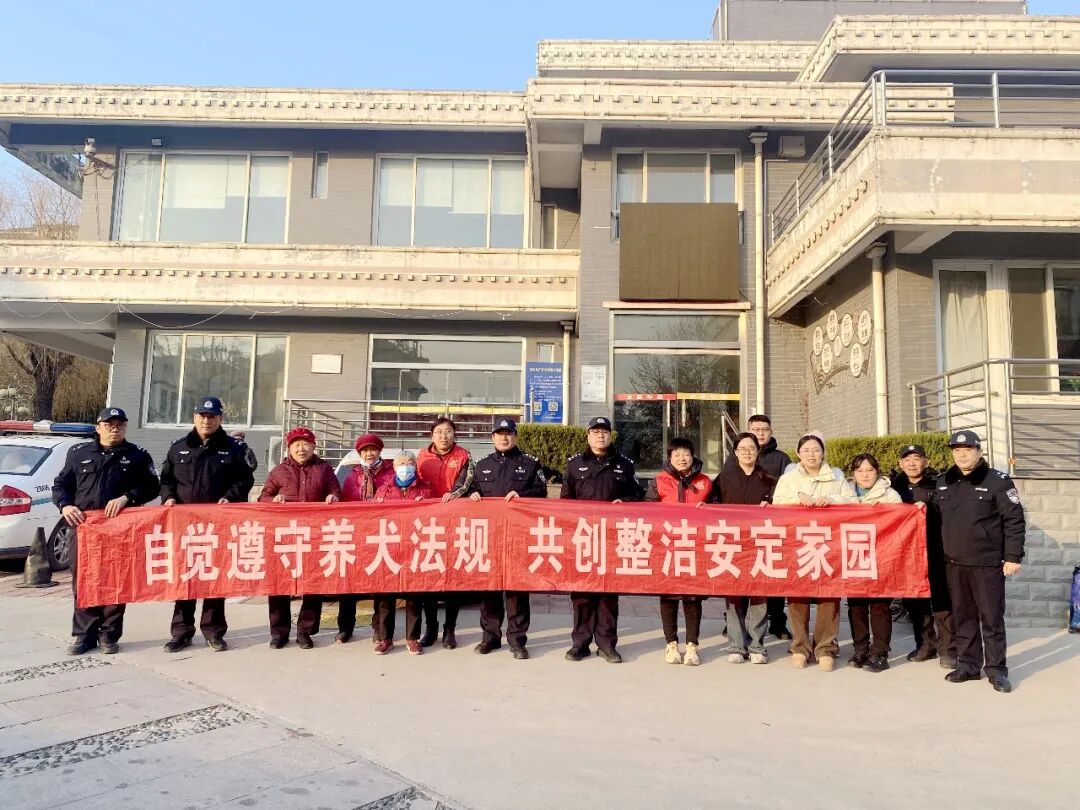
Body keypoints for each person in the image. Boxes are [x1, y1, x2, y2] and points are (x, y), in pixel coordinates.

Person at [52, 407, 159, 656]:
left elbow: (152, 486)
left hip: (120, 530)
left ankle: (109, 634)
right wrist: (65, 505)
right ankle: (84, 635)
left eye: (120, 425)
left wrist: (127, 497)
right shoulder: (78, 453)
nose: (115, 429)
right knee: (84, 580)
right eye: (110, 424)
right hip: (85, 528)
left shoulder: (137, 456)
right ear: (98, 427)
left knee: (116, 581)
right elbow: (61, 485)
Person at [159, 396, 254, 653]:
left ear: (220, 419)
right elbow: (166, 480)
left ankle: (213, 631)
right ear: (194, 417)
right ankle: (181, 632)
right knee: (185, 578)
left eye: (212, 417)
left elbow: (244, 480)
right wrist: (168, 498)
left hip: (217, 527)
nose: (206, 421)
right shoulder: (178, 448)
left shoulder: (233, 449)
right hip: (185, 527)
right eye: (202, 416)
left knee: (214, 578)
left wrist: (230, 497)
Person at [935, 430, 1025, 693]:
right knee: (963, 617)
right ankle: (968, 665)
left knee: (991, 618)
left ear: (979, 451)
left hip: (987, 563)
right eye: (957, 451)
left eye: (968, 450)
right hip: (954, 563)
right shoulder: (944, 482)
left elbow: (1014, 521)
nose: (962, 455)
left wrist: (1012, 556)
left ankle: (996, 670)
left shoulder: (998, 481)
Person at [562, 416, 644, 664]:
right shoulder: (575, 465)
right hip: (583, 538)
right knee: (582, 592)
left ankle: (607, 644)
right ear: (588, 435)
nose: (600, 436)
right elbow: (565, 502)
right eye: (596, 432)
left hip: (612, 539)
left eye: (605, 432)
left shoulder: (624, 465)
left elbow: (637, 496)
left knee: (608, 593)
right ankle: (580, 643)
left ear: (610, 436)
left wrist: (625, 502)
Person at [771, 431, 855, 671]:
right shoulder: (789, 478)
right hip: (798, 544)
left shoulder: (836, 475)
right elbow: (777, 503)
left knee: (829, 595)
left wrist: (831, 500)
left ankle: (826, 648)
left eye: (816, 450)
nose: (811, 454)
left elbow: (852, 501)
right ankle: (800, 646)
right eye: (806, 450)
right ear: (798, 454)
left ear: (823, 452)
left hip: (829, 545)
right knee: (797, 596)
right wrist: (797, 497)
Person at [469, 418, 548, 660]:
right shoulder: (482, 466)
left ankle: (517, 640)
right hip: (490, 538)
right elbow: (471, 491)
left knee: (517, 592)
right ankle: (490, 637)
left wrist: (523, 494)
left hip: (518, 537)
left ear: (515, 436)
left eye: (508, 433)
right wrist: (472, 495)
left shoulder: (530, 464)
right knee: (490, 589)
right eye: (499, 433)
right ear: (493, 437)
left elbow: (542, 492)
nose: (504, 438)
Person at [258, 427, 340, 649]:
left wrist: (333, 497)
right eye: (296, 445)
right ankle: (279, 633)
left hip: (314, 536)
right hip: (284, 537)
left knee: (312, 585)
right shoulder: (279, 471)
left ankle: (305, 631)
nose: (301, 449)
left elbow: (336, 491)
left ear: (313, 446)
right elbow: (263, 497)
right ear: (289, 448)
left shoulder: (324, 469)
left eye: (305, 444)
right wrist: (273, 500)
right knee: (280, 585)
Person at [724, 414, 792, 640]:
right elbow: (723, 491)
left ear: (771, 432)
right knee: (738, 578)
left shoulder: (782, 459)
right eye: (756, 429)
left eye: (765, 429)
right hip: (739, 532)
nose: (761, 433)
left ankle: (777, 623)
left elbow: (787, 490)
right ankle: (734, 625)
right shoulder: (733, 459)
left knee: (771, 579)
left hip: (769, 531)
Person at [645, 437, 712, 666]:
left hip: (695, 546)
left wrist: (708, 510)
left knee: (693, 597)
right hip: (667, 546)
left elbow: (719, 511)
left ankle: (692, 645)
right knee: (669, 596)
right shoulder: (659, 481)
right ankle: (671, 643)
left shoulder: (705, 482)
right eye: (677, 455)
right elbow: (648, 510)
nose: (682, 458)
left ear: (693, 456)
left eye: (686, 454)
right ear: (670, 458)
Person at [711, 431, 775, 665]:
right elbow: (712, 506)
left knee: (759, 595)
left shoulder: (769, 479)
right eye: (742, 449)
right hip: (732, 544)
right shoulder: (724, 478)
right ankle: (736, 645)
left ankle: (757, 645)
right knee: (734, 596)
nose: (747, 452)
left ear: (758, 452)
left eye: (752, 448)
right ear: (735, 452)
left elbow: (780, 507)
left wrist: (771, 506)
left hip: (760, 543)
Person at [891, 444, 955, 668]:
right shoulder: (894, 487)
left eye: (916, 458)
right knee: (915, 602)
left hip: (936, 550)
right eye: (907, 459)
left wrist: (927, 508)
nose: (911, 463)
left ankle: (949, 649)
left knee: (942, 601)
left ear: (925, 462)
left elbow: (949, 513)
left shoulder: (939, 483)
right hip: (907, 553)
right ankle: (925, 645)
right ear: (900, 464)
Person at [416, 417, 475, 649]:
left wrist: (453, 496)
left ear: (454, 434)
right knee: (429, 579)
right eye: (439, 432)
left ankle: (449, 630)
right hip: (428, 526)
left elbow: (466, 483)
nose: (443, 436)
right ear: (432, 435)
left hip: (454, 524)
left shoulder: (464, 455)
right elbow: (414, 484)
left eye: (448, 431)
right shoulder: (421, 457)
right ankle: (430, 629)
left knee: (453, 580)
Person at [845, 453, 902, 672]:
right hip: (854, 556)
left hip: (881, 557)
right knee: (856, 606)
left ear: (877, 472)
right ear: (853, 474)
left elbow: (901, 522)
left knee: (879, 606)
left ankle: (880, 653)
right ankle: (860, 649)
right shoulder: (845, 494)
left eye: (870, 470)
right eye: (860, 470)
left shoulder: (890, 495)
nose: (865, 475)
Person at [340, 433, 397, 651]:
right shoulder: (352, 476)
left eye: (373, 449)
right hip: (356, 535)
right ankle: (345, 627)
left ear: (380, 451)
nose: (369, 454)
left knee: (383, 585)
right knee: (349, 583)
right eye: (364, 451)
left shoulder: (392, 474)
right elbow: (343, 504)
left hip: (383, 533)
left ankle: (380, 630)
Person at [375, 450, 435, 655]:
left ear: (415, 466)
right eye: (401, 463)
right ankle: (385, 638)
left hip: (414, 547)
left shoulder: (425, 489)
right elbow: (373, 517)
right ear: (394, 467)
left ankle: (412, 637)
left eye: (409, 462)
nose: (405, 466)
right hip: (389, 547)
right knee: (386, 595)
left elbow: (433, 516)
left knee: (413, 596)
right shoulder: (383, 490)